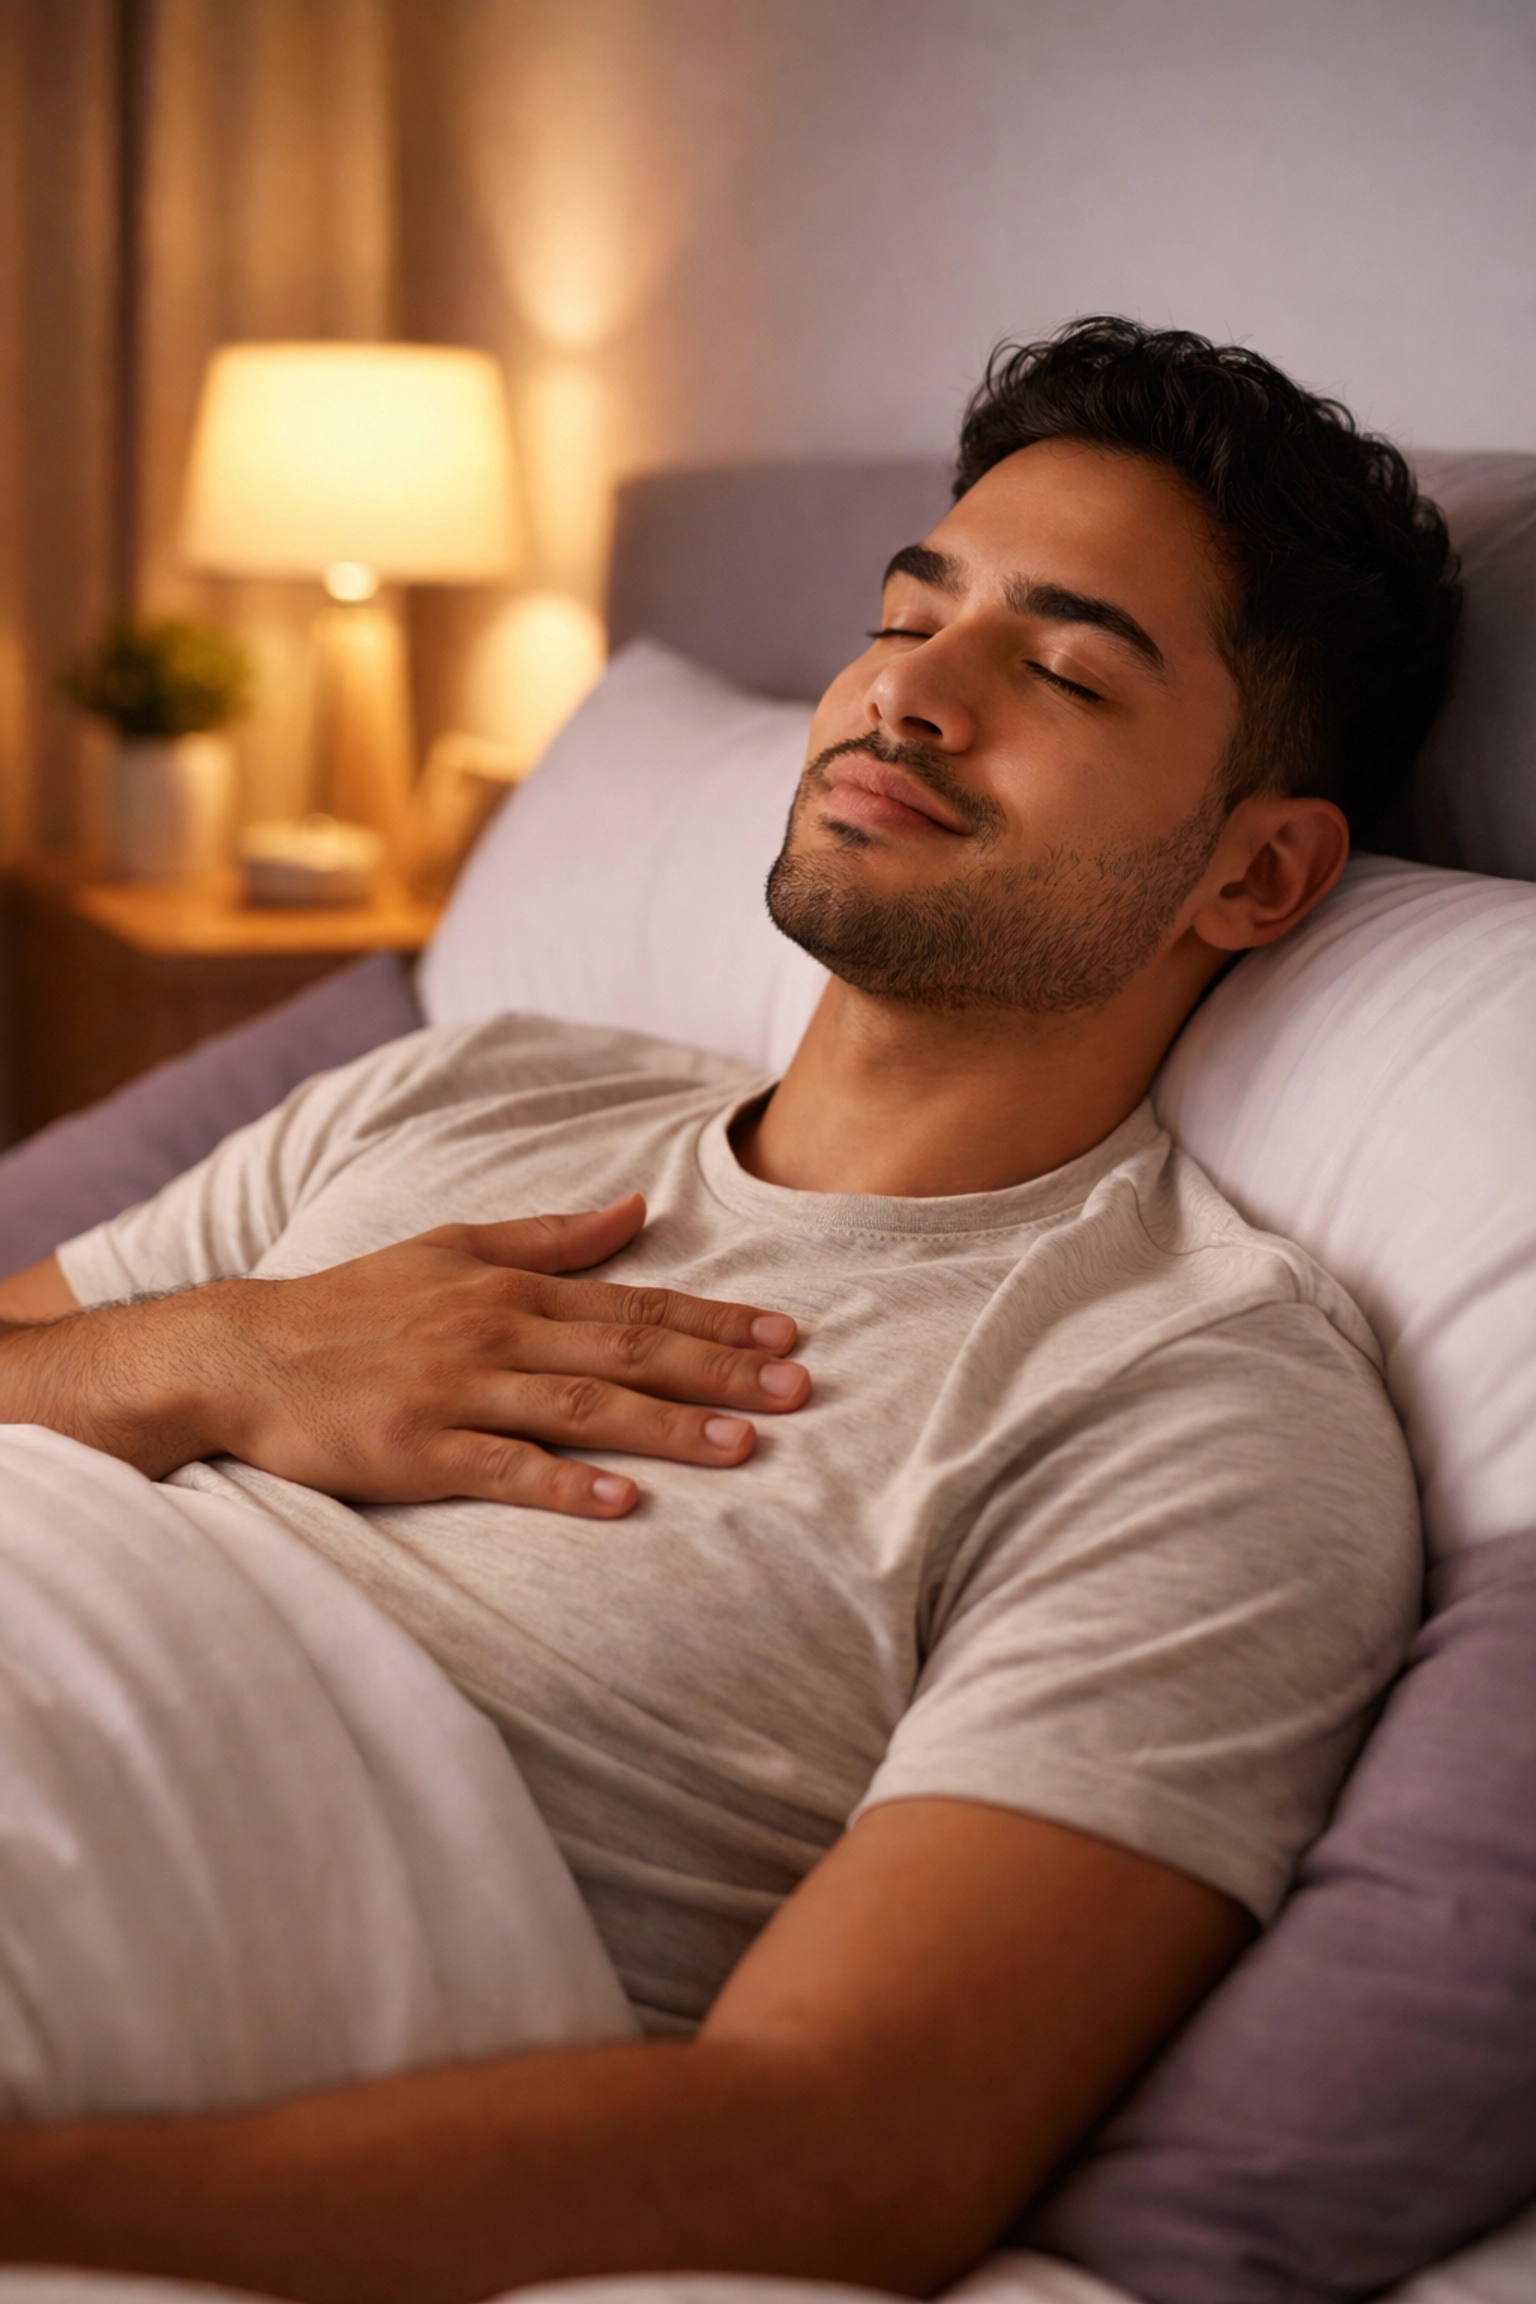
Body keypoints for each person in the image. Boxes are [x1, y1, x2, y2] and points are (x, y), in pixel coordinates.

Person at [0, 318, 1461, 2304]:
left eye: (1057, 668)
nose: (903, 695)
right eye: (903, 611)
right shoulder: (471, 1083)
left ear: (1260, 874)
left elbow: (852, 2145)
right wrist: (219, 1356)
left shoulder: (1191, 1406)